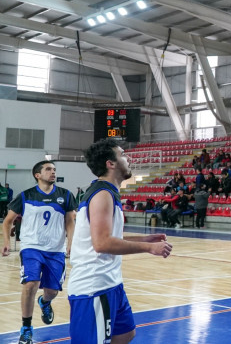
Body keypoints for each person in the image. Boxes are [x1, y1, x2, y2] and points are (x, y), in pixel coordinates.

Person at [67, 138, 172, 344]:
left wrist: (144, 238)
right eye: (123, 154)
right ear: (111, 163)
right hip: (94, 287)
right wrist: (149, 247)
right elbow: (102, 243)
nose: (128, 158)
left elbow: (104, 237)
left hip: (112, 283)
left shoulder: (108, 192)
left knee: (125, 334)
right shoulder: (102, 194)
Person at [1, 161, 76, 344]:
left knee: (51, 291)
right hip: (31, 247)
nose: (53, 172)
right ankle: (26, 328)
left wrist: (71, 243)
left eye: (54, 169)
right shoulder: (25, 196)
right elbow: (7, 221)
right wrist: (6, 242)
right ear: (37, 174)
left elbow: (70, 221)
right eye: (48, 169)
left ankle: (45, 302)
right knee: (30, 284)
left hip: (55, 250)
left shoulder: (65, 195)